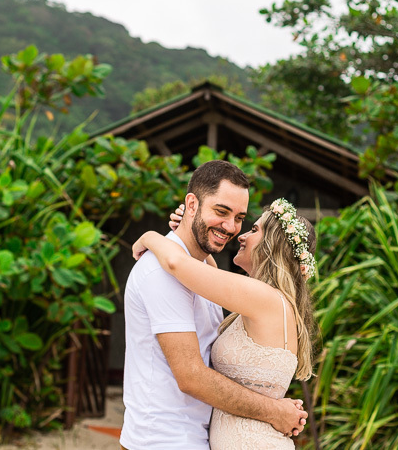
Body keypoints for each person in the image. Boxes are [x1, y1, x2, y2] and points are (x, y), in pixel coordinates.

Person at [119, 160, 307, 450]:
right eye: (221, 212)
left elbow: (183, 260)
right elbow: (191, 376)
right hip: (164, 440)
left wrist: (151, 236)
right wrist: (274, 410)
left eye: (243, 220)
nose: (234, 230)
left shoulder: (236, 288)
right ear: (192, 204)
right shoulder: (166, 273)